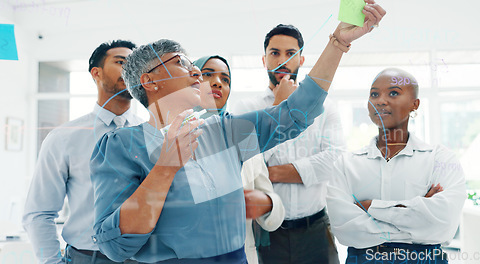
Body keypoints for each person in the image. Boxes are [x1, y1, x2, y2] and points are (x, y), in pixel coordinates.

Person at [90, 3, 384, 263]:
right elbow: (114, 244)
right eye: (180, 62)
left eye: (193, 64)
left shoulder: (224, 132)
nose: (196, 73)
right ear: (150, 81)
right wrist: (166, 167)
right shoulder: (121, 147)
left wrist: (337, 43)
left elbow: (297, 112)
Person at [327, 68, 466, 263]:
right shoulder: (346, 164)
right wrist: (417, 213)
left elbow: (443, 224)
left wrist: (370, 207)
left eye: (393, 93)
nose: (381, 101)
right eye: (374, 94)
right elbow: (344, 230)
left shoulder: (440, 159)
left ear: (414, 104)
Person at [230, 23, 344, 264]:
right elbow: (244, 166)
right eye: (275, 53)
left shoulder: (325, 108)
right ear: (264, 59)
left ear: (301, 59)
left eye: (290, 53)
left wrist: (268, 172)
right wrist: (276, 110)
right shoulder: (244, 109)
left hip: (316, 227)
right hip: (267, 232)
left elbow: (334, 161)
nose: (283, 60)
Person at [23, 40, 143, 264]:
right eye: (121, 62)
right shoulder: (64, 138)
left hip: (145, 257)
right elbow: (39, 213)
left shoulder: (150, 135)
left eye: (136, 65)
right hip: (87, 257)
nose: (131, 70)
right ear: (96, 73)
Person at [193, 55, 285, 264]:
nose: (217, 82)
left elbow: (273, 209)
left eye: (225, 80)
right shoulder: (168, 138)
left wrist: (266, 204)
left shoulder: (244, 140)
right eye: (207, 75)